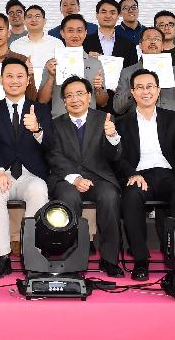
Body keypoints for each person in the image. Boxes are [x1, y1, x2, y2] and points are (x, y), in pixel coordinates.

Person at [116, 69, 175, 281]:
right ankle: (141, 260)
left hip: (168, 174)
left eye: (150, 86)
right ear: (132, 92)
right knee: (131, 196)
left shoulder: (172, 117)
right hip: (139, 175)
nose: (145, 91)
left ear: (158, 90)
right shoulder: (121, 122)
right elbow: (117, 157)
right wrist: (132, 174)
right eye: (140, 87)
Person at [0, 58, 54, 278]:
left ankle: (31, 254)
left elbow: (51, 145)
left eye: (20, 76)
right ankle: (1, 257)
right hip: (2, 172)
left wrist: (37, 130)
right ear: (1, 80)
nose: (14, 81)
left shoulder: (41, 109)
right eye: (9, 76)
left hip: (31, 174)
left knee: (39, 189)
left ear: (28, 80)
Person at [47, 76, 124, 277]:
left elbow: (114, 156)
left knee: (110, 196)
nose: (75, 99)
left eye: (80, 94)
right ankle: (72, 257)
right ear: (64, 101)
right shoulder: (55, 124)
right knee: (68, 197)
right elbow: (54, 156)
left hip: (98, 177)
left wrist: (112, 137)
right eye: (69, 96)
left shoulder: (105, 119)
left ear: (89, 96)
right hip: (66, 178)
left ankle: (109, 260)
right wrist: (75, 179)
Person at [38, 14, 107, 117]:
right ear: (62, 33)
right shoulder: (52, 63)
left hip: (89, 121)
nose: (75, 35)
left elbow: (103, 102)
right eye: (70, 30)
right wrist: (51, 76)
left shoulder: (95, 63)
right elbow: (42, 100)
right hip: (60, 120)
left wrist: (98, 88)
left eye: (79, 30)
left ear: (85, 33)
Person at [113, 27, 175, 116]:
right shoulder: (127, 72)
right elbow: (118, 108)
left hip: (170, 121)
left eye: (157, 39)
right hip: (139, 122)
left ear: (162, 46)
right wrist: (134, 89)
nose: (152, 42)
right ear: (140, 45)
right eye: (148, 39)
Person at [9, 4, 64, 83]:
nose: (33, 20)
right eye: (29, 17)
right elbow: (10, 70)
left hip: (51, 86)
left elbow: (63, 70)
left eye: (37, 16)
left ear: (44, 21)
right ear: (24, 21)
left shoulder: (57, 43)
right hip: (23, 87)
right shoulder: (15, 45)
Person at [83, 0, 138, 67]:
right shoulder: (84, 42)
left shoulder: (129, 45)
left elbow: (133, 70)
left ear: (118, 16)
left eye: (112, 13)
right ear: (97, 15)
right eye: (104, 12)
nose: (108, 16)